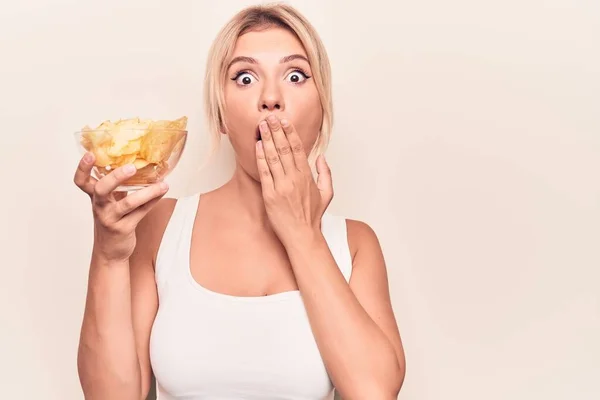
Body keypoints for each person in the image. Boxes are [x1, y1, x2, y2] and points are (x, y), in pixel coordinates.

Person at [74, 3, 405, 399]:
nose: (270, 98)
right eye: (245, 77)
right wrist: (108, 256)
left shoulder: (354, 245)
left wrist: (302, 235)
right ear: (220, 115)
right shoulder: (162, 227)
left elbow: (374, 392)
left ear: (322, 107)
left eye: (296, 75)